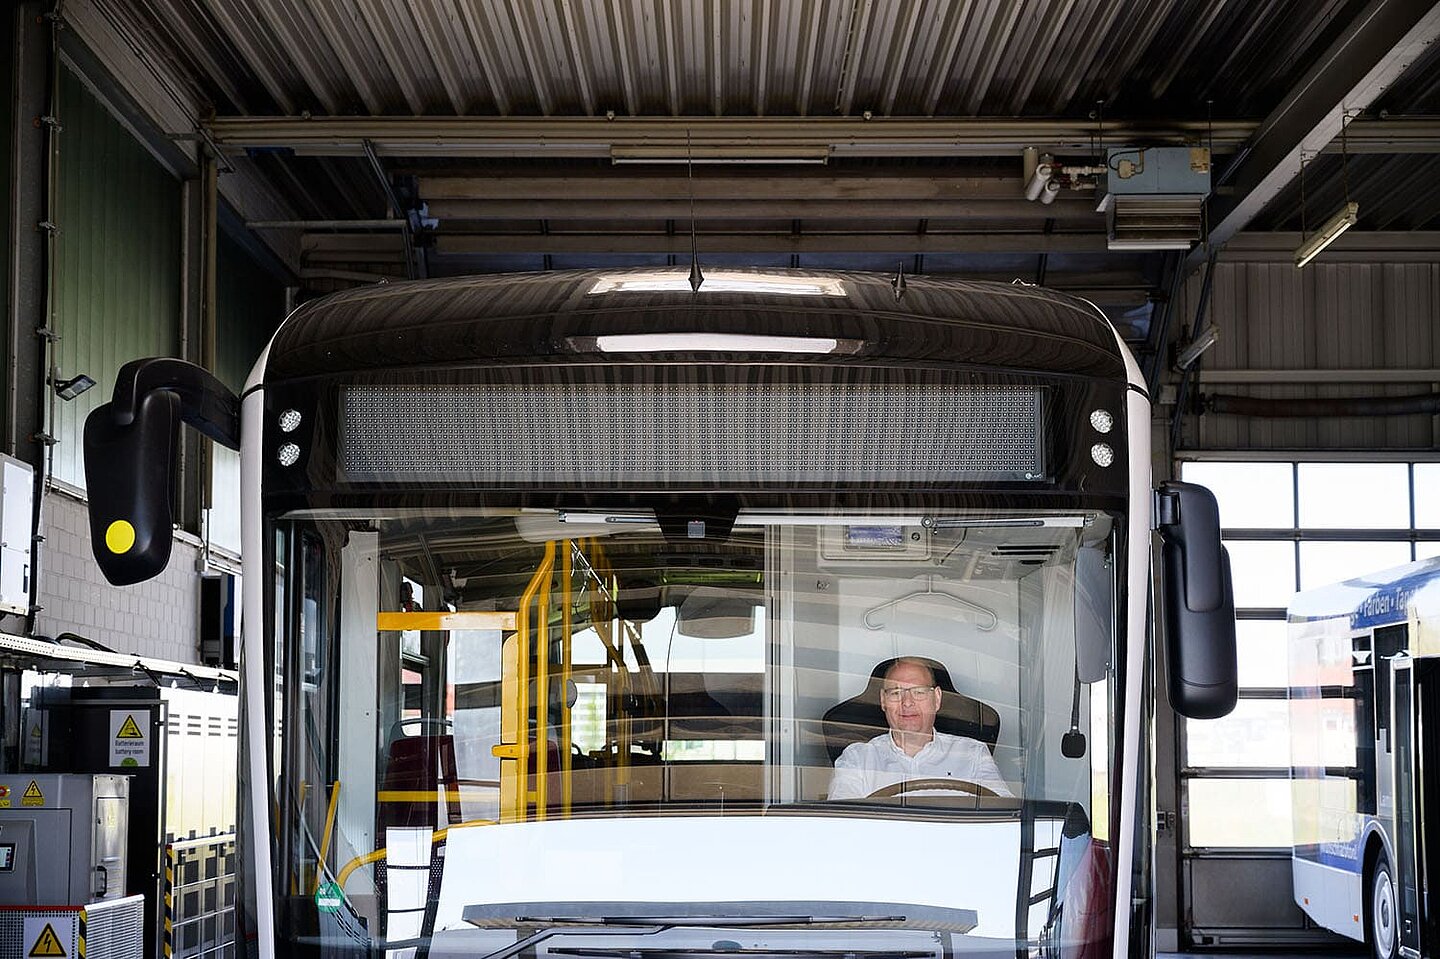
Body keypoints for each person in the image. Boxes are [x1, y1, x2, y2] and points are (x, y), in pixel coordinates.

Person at [827, 656, 1012, 799]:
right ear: (883, 700)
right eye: (896, 693)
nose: (907, 702)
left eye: (919, 692)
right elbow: (842, 826)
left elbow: (1005, 817)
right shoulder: (857, 759)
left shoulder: (973, 755)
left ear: (937, 698)